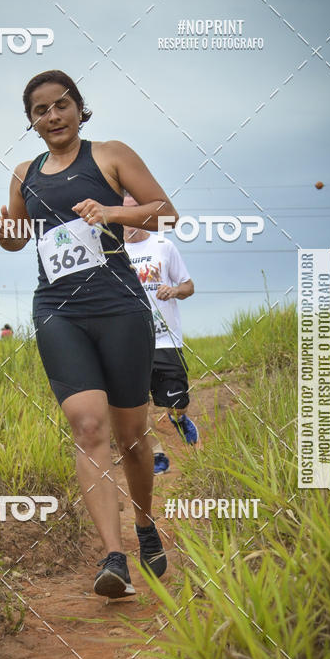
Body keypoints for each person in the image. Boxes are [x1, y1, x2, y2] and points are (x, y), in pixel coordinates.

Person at [0, 69, 179, 598]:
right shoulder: (25, 173)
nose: (52, 116)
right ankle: (113, 558)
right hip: (57, 310)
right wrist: (5, 235)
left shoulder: (111, 155)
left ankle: (144, 524)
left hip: (119, 307)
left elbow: (168, 214)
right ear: (31, 122)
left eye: (61, 105)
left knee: (132, 440)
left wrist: (113, 210)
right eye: (40, 111)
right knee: (88, 426)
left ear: (78, 107)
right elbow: (21, 238)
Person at [123, 199, 198, 475]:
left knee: (177, 402)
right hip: (131, 344)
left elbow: (189, 286)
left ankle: (178, 420)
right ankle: (157, 455)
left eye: (136, 210)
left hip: (167, 341)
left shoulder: (163, 247)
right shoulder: (113, 253)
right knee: (135, 409)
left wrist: (174, 291)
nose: (130, 217)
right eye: (124, 211)